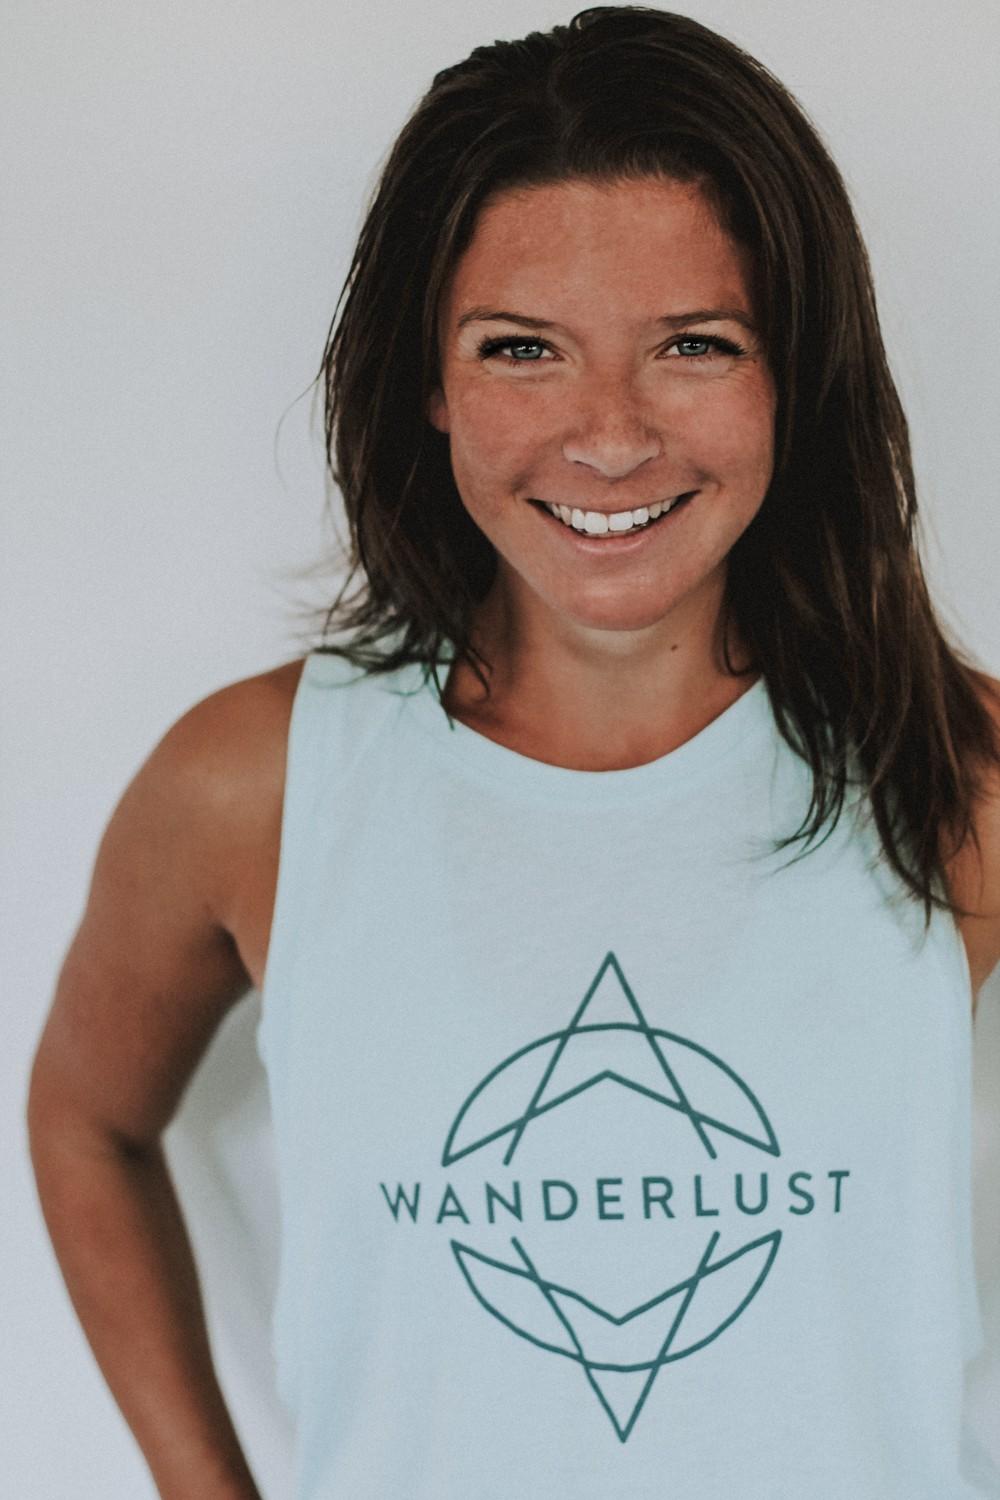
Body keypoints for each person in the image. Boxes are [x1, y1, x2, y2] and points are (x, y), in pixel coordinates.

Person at [25, 6, 1000, 1498]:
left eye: (695, 344)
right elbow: (85, 1120)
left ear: (794, 374)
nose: (608, 436)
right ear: (427, 378)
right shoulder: (256, 786)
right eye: (522, 349)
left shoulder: (956, 769)